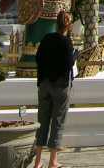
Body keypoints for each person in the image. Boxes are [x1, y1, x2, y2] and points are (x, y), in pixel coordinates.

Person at [33, 9, 76, 168]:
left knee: (42, 121)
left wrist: (47, 73)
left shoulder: (46, 39)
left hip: (44, 84)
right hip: (60, 86)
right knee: (57, 121)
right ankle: (52, 161)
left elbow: (38, 58)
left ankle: (37, 162)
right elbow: (69, 63)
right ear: (68, 26)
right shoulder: (66, 42)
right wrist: (74, 56)